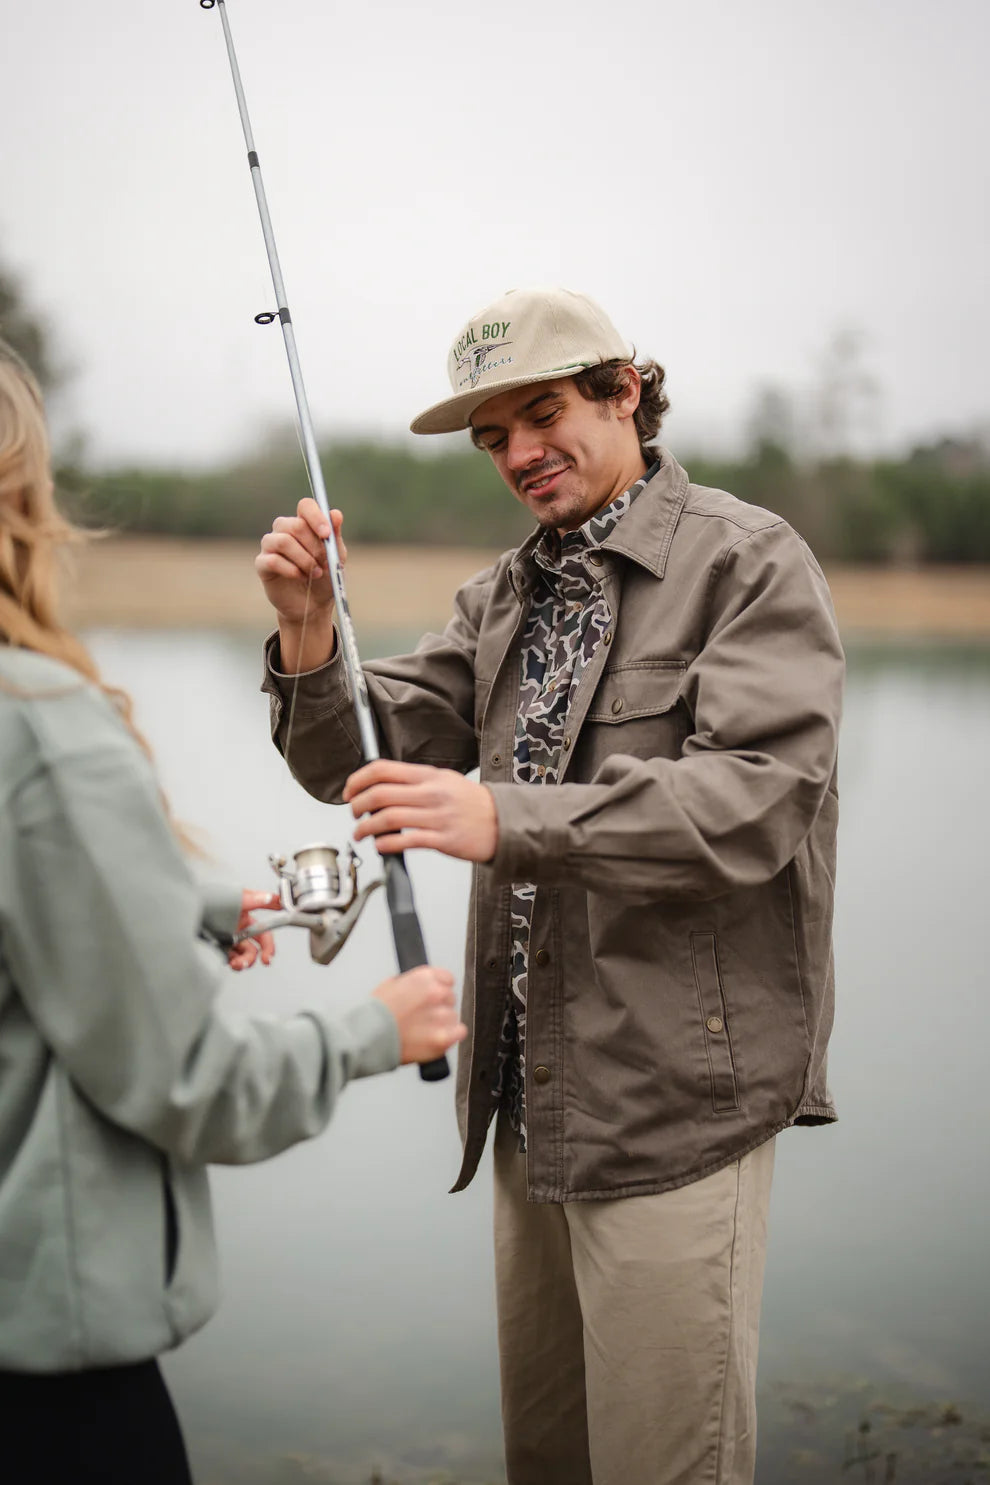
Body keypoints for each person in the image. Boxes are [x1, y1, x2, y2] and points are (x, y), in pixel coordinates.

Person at [255, 287, 845, 1485]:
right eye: (494, 437)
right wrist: (312, 633)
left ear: (626, 390)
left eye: (545, 414)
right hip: (530, 1104)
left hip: (676, 1104)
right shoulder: (505, 596)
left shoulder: (748, 561)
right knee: (551, 1462)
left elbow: (754, 802)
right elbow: (349, 757)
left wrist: (503, 816)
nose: (520, 454)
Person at [0, 337, 466, 1485]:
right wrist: (374, 1030)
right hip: (49, 1388)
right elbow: (195, 1085)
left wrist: (196, 904)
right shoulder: (41, 723)